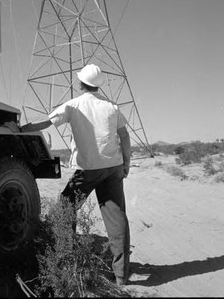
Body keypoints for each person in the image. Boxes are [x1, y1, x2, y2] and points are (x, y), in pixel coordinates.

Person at [20, 63, 131, 286]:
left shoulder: (73, 105)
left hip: (88, 169)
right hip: (113, 167)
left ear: (80, 83)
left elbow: (46, 122)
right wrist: (126, 163)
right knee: (116, 216)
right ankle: (121, 275)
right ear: (97, 85)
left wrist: (20, 129)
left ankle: (65, 260)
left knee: (65, 206)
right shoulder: (111, 107)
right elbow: (124, 137)